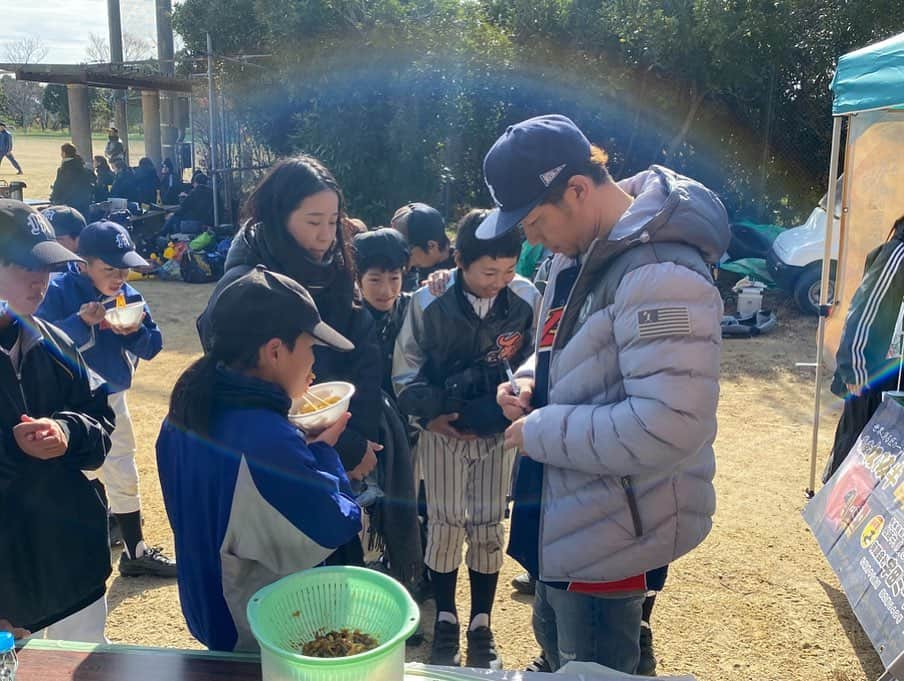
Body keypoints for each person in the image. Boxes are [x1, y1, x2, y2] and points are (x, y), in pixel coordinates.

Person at [483, 115, 727, 674]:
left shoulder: (660, 270)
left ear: (576, 189)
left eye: (535, 220)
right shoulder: (577, 256)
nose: (530, 238)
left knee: (594, 665)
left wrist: (541, 430)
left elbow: (668, 422)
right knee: (570, 652)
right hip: (574, 514)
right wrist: (529, 382)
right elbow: (571, 353)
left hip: (612, 531)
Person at [158, 267, 361, 652]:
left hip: (208, 603)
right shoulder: (266, 440)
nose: (313, 365)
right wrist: (322, 451)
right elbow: (334, 524)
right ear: (274, 351)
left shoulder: (185, 408)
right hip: (254, 624)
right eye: (310, 348)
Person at [197, 155, 382, 566]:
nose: (325, 236)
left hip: (339, 432)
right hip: (286, 450)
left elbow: (363, 351)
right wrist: (340, 447)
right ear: (280, 217)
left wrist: (358, 435)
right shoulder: (249, 284)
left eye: (333, 222)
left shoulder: (336, 267)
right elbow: (246, 380)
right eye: (313, 221)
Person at [394, 209, 540, 669]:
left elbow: (536, 358)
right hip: (443, 432)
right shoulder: (427, 301)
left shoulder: (525, 297)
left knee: (487, 525)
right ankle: (446, 620)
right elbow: (404, 370)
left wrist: (520, 396)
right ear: (459, 261)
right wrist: (429, 415)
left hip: (497, 432)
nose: (499, 280)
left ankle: (481, 622)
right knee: (443, 524)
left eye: (509, 270)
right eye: (488, 271)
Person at [0, 199, 114, 641]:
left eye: (47, 266)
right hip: (9, 585)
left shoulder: (56, 342)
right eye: (22, 265)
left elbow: (101, 424)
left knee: (88, 662)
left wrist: (67, 431)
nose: (39, 281)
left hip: (72, 568)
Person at [36, 220, 175, 578]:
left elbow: (153, 345)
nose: (118, 276)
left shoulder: (127, 296)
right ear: (83, 264)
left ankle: (135, 550)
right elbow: (40, 344)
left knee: (123, 467)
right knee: (71, 473)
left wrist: (133, 331)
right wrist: (80, 321)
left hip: (112, 398)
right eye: (109, 268)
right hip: (64, 404)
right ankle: (70, 552)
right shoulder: (58, 290)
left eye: (124, 267)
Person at [824, 214, 904, 480]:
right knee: (856, 458)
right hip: (873, 376)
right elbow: (864, 309)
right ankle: (833, 516)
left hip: (896, 381)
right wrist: (854, 368)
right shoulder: (898, 253)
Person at [353, 227, 411, 397]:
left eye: (394, 278)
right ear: (357, 278)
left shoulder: (412, 308)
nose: (386, 291)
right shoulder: (348, 318)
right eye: (375, 280)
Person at [392, 202, 454, 292]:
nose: (403, 258)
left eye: (408, 252)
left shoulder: (465, 269)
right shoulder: (407, 271)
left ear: (431, 245)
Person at [50, 143, 95, 219]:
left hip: (68, 204)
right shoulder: (84, 168)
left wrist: (53, 199)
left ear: (64, 154)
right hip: (84, 202)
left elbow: (58, 186)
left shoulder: (63, 170)